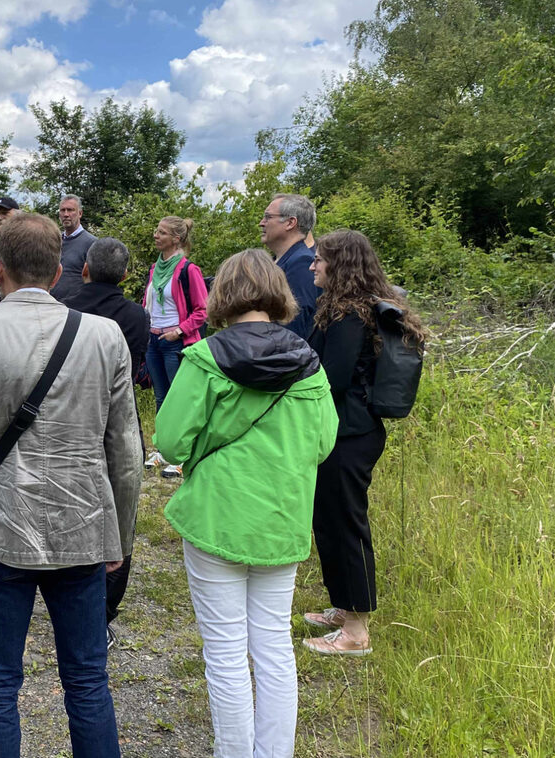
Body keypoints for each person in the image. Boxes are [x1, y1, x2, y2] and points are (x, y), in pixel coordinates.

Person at [0, 212, 142, 758]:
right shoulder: (105, 335)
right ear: (61, 270)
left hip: (0, 529)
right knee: (88, 681)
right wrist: (124, 539)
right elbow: (127, 454)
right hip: (84, 527)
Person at [154, 248, 337, 758]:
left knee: (226, 652)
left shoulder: (204, 359)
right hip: (282, 518)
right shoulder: (309, 363)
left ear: (222, 296)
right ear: (279, 292)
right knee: (274, 646)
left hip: (216, 515)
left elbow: (169, 442)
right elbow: (324, 443)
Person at [302, 230, 428, 656]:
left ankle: (356, 633)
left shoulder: (350, 316)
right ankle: (344, 606)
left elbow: (330, 378)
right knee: (329, 520)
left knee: (346, 525)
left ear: (340, 265)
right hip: (344, 431)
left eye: (319, 259)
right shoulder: (342, 310)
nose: (313, 265)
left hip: (350, 433)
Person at [62, 236, 150, 647]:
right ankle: (103, 613)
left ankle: (65, 588)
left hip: (70, 417)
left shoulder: (65, 309)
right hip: (119, 415)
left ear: (84, 269)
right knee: (119, 507)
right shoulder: (137, 317)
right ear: (127, 276)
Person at [143, 216, 208, 477]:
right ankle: (163, 448)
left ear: (176, 239)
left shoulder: (187, 270)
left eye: (162, 232)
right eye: (156, 231)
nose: (156, 235)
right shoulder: (154, 269)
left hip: (176, 343)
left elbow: (203, 310)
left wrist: (179, 330)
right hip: (153, 340)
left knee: (179, 399)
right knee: (161, 397)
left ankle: (182, 454)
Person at [259, 193, 319, 338]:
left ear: (290, 223)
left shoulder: (302, 263)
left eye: (268, 217)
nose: (261, 222)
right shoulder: (280, 261)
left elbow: (293, 326)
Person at [49, 194, 97, 303]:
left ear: (80, 213)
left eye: (70, 210)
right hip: (51, 306)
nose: (66, 214)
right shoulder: (53, 241)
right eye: (62, 210)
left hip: (76, 308)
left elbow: (93, 282)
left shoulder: (91, 243)